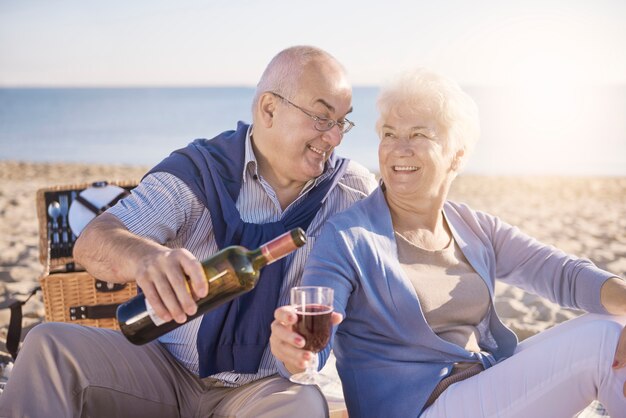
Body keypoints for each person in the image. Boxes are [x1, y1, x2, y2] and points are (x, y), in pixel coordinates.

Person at [0, 46, 377, 418]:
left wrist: (303, 353)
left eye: (342, 122)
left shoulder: (350, 191)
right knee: (47, 345)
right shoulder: (199, 171)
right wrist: (145, 257)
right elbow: (93, 242)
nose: (335, 137)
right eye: (322, 118)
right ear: (269, 109)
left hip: (266, 389)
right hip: (165, 370)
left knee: (303, 405)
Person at [270, 68, 626, 417]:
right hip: (415, 409)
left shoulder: (472, 226)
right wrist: (295, 351)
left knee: (617, 330)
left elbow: (563, 273)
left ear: (457, 155)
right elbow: (313, 331)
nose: (399, 149)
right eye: (390, 134)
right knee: (602, 343)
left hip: (481, 385)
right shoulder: (348, 237)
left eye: (419, 134)